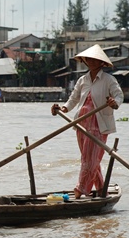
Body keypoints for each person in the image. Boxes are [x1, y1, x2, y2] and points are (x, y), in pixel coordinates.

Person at [51, 44, 124, 199]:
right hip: (81, 123)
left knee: (89, 159)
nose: (91, 61)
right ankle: (101, 188)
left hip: (99, 124)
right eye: (88, 59)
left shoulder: (108, 80)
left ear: (101, 62)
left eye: (94, 59)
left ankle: (80, 190)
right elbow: (73, 99)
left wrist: (114, 102)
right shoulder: (83, 80)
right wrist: (63, 109)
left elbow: (119, 96)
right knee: (89, 158)